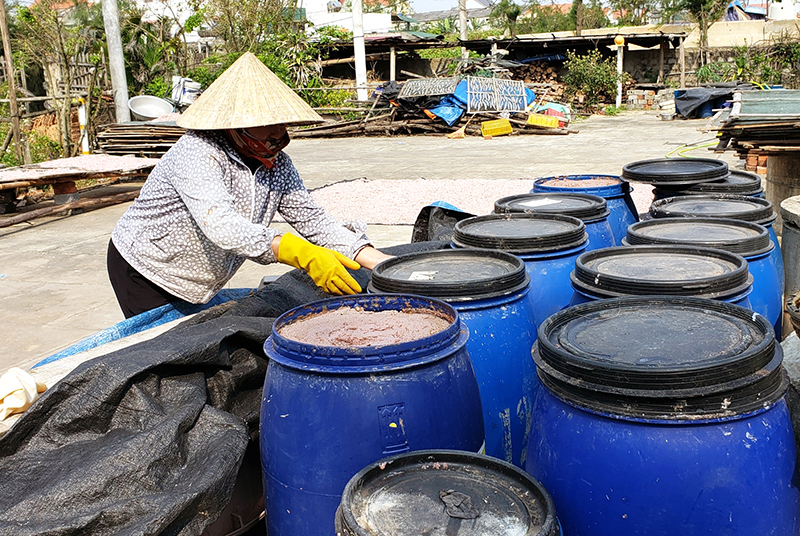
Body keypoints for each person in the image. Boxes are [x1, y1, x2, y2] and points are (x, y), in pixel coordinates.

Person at [107, 52, 391, 318]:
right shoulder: (198, 152)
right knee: (167, 354)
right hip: (147, 270)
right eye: (267, 123)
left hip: (202, 280)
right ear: (235, 124)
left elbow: (313, 220)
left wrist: (382, 265)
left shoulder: (279, 164)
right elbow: (223, 227)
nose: (277, 133)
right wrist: (299, 252)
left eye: (282, 123)